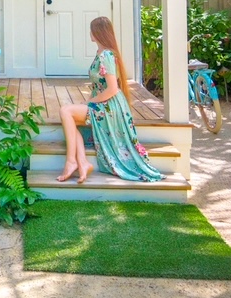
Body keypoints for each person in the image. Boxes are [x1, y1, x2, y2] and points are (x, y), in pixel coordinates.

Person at [57, 16, 163, 184]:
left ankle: (72, 162)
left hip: (109, 107)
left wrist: (89, 103)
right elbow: (98, 86)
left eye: (91, 30)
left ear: (97, 33)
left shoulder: (106, 55)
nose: (89, 33)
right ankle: (82, 163)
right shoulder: (101, 53)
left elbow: (112, 89)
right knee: (70, 118)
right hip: (103, 104)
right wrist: (88, 101)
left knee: (65, 111)